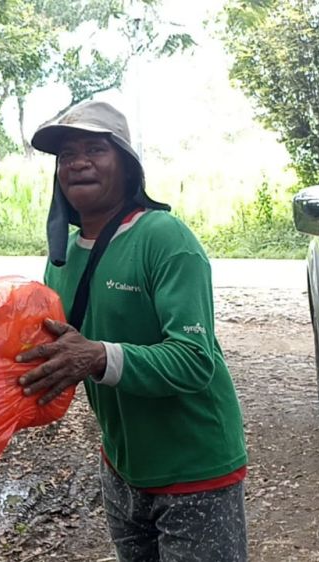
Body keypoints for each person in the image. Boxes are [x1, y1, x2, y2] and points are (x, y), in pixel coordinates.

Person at [16, 100, 248, 561]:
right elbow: (54, 351)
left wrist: (98, 356)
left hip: (194, 468)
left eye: (95, 150)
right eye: (67, 155)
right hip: (122, 466)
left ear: (127, 165)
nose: (78, 162)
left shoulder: (164, 239)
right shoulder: (62, 256)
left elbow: (194, 360)